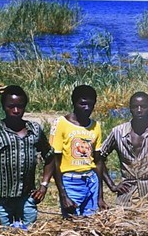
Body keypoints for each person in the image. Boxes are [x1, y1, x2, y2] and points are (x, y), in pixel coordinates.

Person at [0, 84, 52, 229]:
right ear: (3, 107)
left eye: (20, 106)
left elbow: (50, 156)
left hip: (27, 199)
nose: (16, 111)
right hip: (2, 202)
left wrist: (43, 186)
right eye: (11, 106)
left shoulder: (34, 130)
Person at [42, 84, 106, 218]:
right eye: (82, 104)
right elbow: (55, 161)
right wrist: (63, 195)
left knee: (91, 222)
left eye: (90, 104)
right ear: (74, 102)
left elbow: (98, 162)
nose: (86, 108)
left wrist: (100, 196)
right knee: (72, 223)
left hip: (91, 181)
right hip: (70, 182)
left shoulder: (96, 126)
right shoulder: (61, 123)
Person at [98, 90, 148, 202]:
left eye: (143, 107)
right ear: (130, 108)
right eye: (135, 107)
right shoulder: (118, 132)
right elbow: (99, 158)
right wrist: (112, 186)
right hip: (126, 193)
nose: (139, 110)